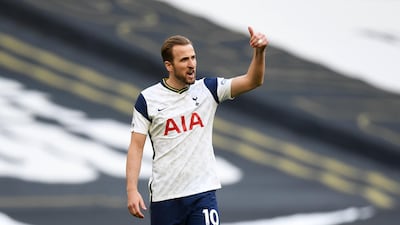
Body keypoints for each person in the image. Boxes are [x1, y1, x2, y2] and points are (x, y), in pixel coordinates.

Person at [126, 26, 268, 225]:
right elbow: (136, 147)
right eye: (184, 60)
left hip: (202, 193)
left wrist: (259, 52)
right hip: (165, 197)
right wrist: (132, 190)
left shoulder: (209, 89)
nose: (191, 64)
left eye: (193, 57)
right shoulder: (148, 99)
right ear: (169, 65)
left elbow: (253, 81)